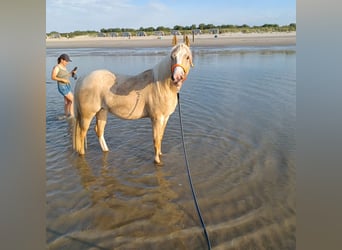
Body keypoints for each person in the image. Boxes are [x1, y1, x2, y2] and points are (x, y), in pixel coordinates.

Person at [51, 54, 77, 118]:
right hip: (62, 87)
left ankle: (67, 115)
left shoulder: (64, 67)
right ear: (62, 60)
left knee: (67, 102)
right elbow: (53, 77)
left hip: (67, 86)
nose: (67, 62)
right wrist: (62, 80)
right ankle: (72, 116)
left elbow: (66, 76)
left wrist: (72, 73)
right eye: (66, 61)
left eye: (68, 61)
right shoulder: (57, 67)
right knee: (73, 100)